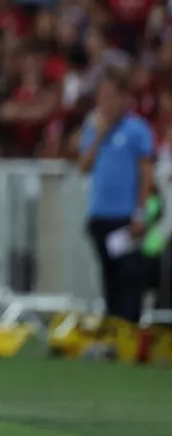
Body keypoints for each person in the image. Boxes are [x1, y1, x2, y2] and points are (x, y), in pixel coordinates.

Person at [78, 66, 154, 327]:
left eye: (111, 96)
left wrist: (140, 212)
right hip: (101, 215)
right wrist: (99, 136)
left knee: (130, 275)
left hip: (125, 217)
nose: (106, 103)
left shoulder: (137, 130)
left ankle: (130, 328)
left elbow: (146, 173)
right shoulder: (94, 128)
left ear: (123, 97)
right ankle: (113, 330)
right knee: (109, 277)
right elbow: (83, 166)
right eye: (102, 97)